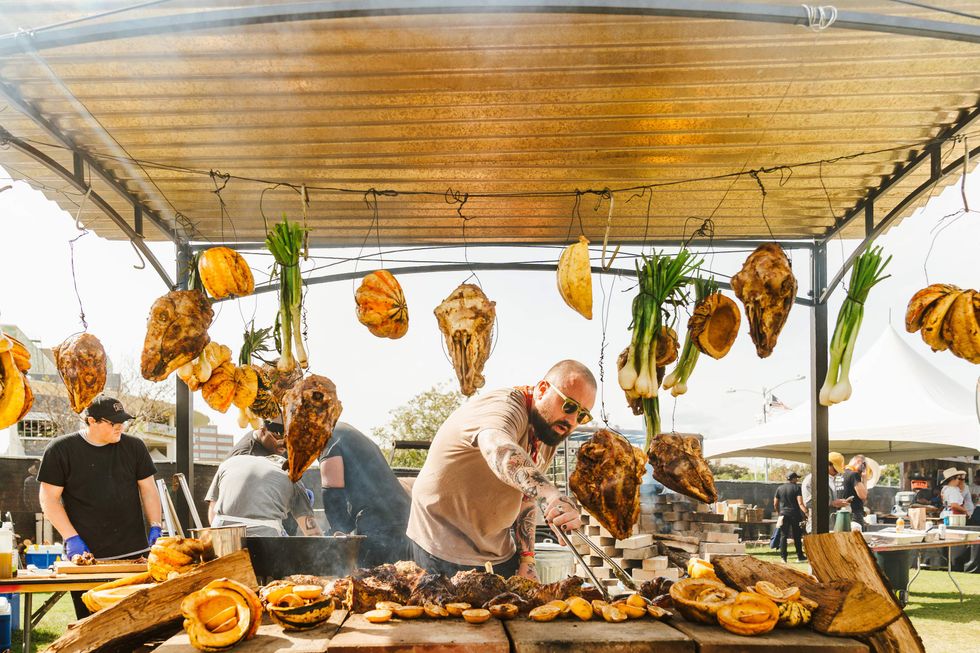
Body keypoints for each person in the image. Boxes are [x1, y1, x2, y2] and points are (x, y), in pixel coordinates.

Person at [407, 360, 596, 579]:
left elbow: (526, 497)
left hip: (497, 551)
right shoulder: (504, 406)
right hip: (441, 547)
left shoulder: (548, 432)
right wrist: (551, 495)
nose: (572, 420)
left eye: (582, 415)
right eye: (569, 406)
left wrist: (527, 560)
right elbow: (499, 449)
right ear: (543, 389)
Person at [36, 395, 162, 617]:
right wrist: (71, 538)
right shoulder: (60, 449)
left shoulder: (134, 447)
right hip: (87, 558)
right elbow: (49, 499)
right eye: (114, 422)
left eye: (123, 421)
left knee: (136, 623)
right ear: (91, 421)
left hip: (135, 557)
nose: (120, 426)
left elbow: (149, 489)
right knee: (91, 625)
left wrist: (156, 525)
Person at [319, 423, 411, 567]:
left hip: (379, 525)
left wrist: (337, 531)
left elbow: (332, 491)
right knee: (400, 575)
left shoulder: (326, 437)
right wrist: (343, 526)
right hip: (404, 517)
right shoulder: (345, 432)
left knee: (371, 577)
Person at [206, 454, 321, 537]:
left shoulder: (229, 463)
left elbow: (213, 510)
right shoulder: (293, 476)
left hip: (221, 533)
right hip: (264, 535)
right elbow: (313, 534)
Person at [801, 451, 850, 532]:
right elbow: (809, 502)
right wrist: (832, 503)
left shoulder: (831, 479)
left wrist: (839, 503)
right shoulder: (811, 479)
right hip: (817, 527)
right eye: (835, 469)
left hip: (831, 526)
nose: (837, 472)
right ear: (827, 464)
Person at [773, 471, 806, 563]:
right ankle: (800, 556)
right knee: (797, 536)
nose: (797, 480)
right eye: (796, 478)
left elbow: (775, 503)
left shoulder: (780, 488)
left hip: (783, 514)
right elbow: (800, 503)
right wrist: (806, 512)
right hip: (795, 515)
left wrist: (779, 513)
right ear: (793, 479)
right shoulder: (797, 488)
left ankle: (783, 558)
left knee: (783, 536)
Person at [841, 455, 869, 528]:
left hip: (840, 514)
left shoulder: (839, 473)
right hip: (854, 515)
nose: (863, 469)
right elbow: (863, 496)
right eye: (864, 466)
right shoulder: (854, 474)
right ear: (859, 462)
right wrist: (865, 479)